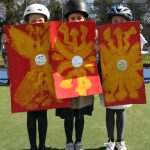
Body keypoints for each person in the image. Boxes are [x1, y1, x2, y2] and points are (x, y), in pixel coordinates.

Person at [1, 3, 50, 150]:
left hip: (45, 81)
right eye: (33, 20)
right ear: (27, 22)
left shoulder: (51, 37)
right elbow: (13, 56)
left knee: (42, 115)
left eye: (40, 20)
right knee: (31, 115)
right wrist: (6, 42)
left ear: (46, 21)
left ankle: (42, 146)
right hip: (29, 82)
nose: (36, 23)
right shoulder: (20, 38)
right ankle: (33, 147)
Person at [55, 0, 94, 150]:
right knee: (68, 115)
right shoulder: (59, 36)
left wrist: (97, 46)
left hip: (84, 80)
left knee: (80, 114)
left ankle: (79, 141)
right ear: (67, 20)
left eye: (79, 18)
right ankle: (68, 141)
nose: (76, 21)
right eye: (72, 18)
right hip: (66, 80)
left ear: (85, 19)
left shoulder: (92, 36)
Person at [102, 5, 134, 150]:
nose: (119, 23)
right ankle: (110, 140)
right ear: (110, 22)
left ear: (127, 22)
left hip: (124, 78)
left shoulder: (134, 35)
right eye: (115, 21)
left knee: (120, 110)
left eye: (122, 20)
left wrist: (135, 36)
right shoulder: (104, 36)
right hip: (108, 77)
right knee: (110, 110)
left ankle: (120, 141)